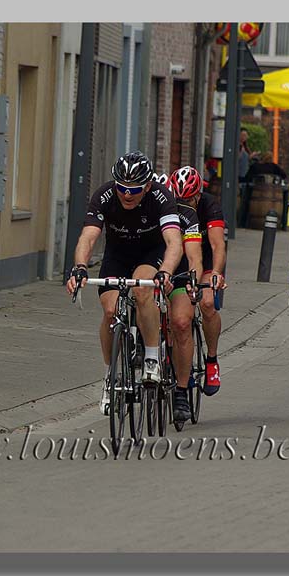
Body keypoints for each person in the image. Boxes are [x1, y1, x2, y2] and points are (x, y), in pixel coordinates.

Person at [65, 151, 183, 415]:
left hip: (150, 254)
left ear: (148, 186)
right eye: (122, 188)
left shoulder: (162, 197)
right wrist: (80, 267)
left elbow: (174, 243)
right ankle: (111, 376)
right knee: (110, 311)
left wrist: (165, 271)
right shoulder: (104, 196)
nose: (127, 195)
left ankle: (152, 357)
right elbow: (88, 237)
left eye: (135, 189)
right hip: (117, 256)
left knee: (142, 290)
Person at [167, 165, 229, 398]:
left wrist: (216, 273)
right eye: (181, 198)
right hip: (180, 260)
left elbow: (217, 245)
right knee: (174, 315)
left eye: (190, 198)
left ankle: (211, 360)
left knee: (207, 303)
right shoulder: (169, 205)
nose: (186, 203)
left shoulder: (209, 205)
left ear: (198, 193)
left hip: (207, 259)